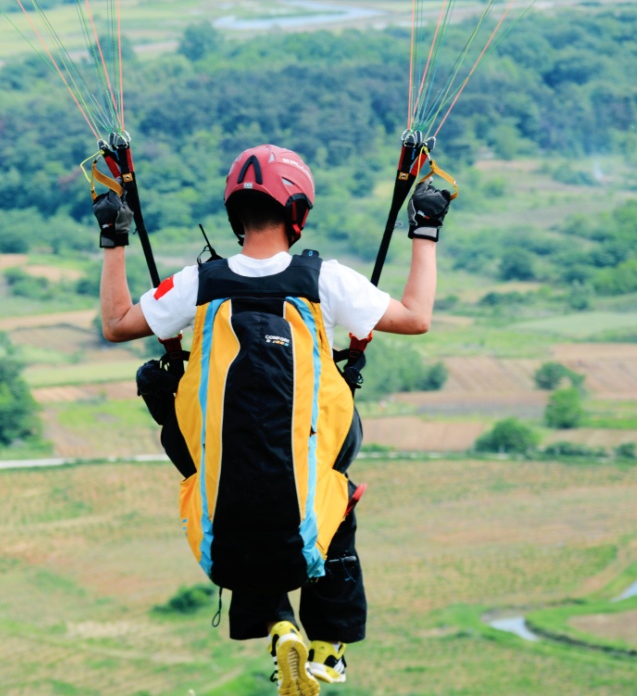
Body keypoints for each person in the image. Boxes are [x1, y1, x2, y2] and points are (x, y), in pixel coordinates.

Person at [93, 144, 450, 695]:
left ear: (236, 213)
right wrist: (424, 230)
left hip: (223, 534)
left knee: (232, 482)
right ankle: (329, 650)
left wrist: (114, 239)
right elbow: (416, 317)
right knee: (336, 497)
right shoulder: (327, 280)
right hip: (304, 490)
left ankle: (278, 622)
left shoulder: (198, 284)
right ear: (298, 214)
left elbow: (117, 323)